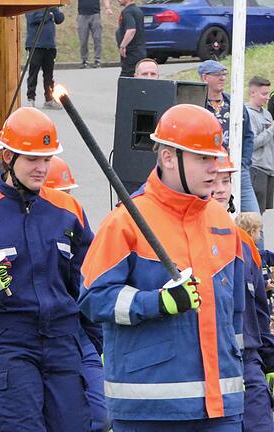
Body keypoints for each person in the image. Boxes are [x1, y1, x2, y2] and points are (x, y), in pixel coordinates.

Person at [79, 104, 245, 431]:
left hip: (222, 408)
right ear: (168, 157)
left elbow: (236, 318)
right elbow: (93, 299)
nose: (214, 169)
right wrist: (156, 303)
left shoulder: (223, 224)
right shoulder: (126, 221)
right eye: (202, 159)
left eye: (214, 158)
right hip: (150, 408)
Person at [0, 107, 94, 431]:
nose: (41, 168)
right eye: (32, 159)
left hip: (62, 343)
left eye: (46, 159)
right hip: (8, 346)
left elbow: (86, 282)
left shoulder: (69, 210)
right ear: (7, 156)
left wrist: (102, 345)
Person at [44, 155, 109, 432]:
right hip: (36, 337)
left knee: (102, 414)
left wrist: (93, 340)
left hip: (77, 333)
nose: (65, 204)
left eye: (68, 195)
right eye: (60, 196)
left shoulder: (76, 226)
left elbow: (89, 283)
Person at [211, 152, 274, 432]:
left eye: (226, 181)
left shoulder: (245, 246)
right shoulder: (179, 239)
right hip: (207, 365)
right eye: (214, 180)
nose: (221, 188)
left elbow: (259, 314)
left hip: (247, 363)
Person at [199, 60, 260, 216]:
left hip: (237, 169)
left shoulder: (234, 104)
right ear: (204, 78)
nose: (222, 78)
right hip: (209, 170)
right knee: (210, 215)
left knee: (252, 218)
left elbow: (247, 135)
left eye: (224, 74)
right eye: (217, 74)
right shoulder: (197, 104)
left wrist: (244, 163)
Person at [25, 7, 65, 109]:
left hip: (49, 45)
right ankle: (31, 98)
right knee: (33, 73)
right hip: (35, 44)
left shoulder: (51, 5)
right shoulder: (32, 4)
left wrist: (56, 11)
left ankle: (49, 99)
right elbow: (32, 19)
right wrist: (48, 15)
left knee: (49, 75)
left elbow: (59, 19)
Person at [246, 76, 274, 214]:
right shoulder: (248, 114)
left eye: (268, 93)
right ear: (252, 93)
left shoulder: (267, 114)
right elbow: (252, 143)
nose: (267, 97)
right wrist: (271, 129)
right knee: (253, 214)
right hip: (257, 169)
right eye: (264, 94)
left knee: (262, 212)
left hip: (269, 169)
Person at [77, 0, 112, 69]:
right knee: (83, 40)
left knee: (97, 38)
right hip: (82, 15)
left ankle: (97, 60)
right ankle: (84, 60)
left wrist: (108, 8)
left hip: (95, 14)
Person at [117, 0, 146, 77]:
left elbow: (131, 30)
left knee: (125, 80)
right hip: (139, 51)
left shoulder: (127, 12)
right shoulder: (138, 11)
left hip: (131, 53)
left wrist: (123, 45)